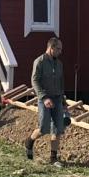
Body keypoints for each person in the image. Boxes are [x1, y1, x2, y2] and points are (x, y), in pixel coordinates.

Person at [25, 37, 68, 166]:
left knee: (57, 128)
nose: (60, 51)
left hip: (57, 99)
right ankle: (29, 141)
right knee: (43, 128)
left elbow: (61, 83)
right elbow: (35, 81)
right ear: (51, 48)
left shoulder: (59, 64)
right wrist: (44, 97)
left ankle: (53, 158)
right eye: (58, 49)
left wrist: (63, 102)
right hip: (44, 99)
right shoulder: (39, 62)